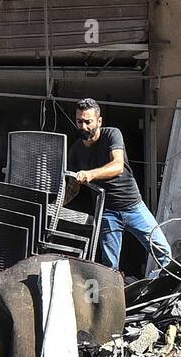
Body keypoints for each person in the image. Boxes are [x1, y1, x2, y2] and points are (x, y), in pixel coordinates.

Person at [68, 98, 172, 276]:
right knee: (110, 267)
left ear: (99, 121)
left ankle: (169, 291)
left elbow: (117, 166)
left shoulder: (112, 135)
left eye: (88, 122)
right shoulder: (76, 150)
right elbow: (72, 187)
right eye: (80, 121)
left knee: (163, 252)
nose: (84, 127)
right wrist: (57, 204)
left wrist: (90, 174)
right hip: (107, 213)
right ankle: (114, 300)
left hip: (133, 206)